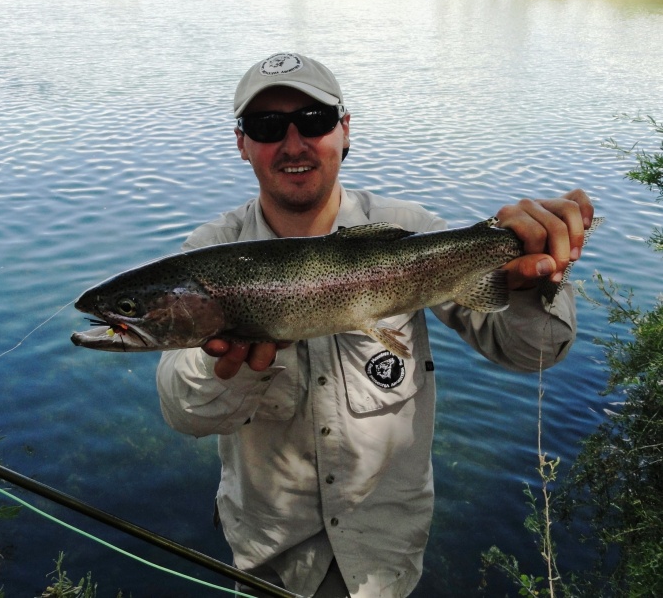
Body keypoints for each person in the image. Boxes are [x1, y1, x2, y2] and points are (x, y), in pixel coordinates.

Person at [157, 52, 595, 598]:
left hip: (383, 564)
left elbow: (535, 353)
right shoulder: (210, 254)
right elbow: (184, 412)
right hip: (270, 560)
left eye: (314, 121)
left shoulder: (413, 232)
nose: (294, 143)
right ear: (242, 143)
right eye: (268, 127)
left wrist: (535, 278)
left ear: (345, 130)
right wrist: (220, 364)